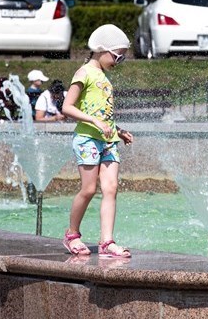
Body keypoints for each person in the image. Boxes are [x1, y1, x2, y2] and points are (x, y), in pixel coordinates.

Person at [61, 24, 134, 258]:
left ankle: (107, 242)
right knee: (89, 189)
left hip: (108, 140)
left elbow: (104, 113)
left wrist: (118, 130)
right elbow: (67, 107)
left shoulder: (104, 76)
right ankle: (72, 234)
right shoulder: (84, 73)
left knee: (111, 188)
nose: (118, 62)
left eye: (121, 58)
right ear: (101, 49)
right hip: (87, 139)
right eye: (116, 56)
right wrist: (95, 122)